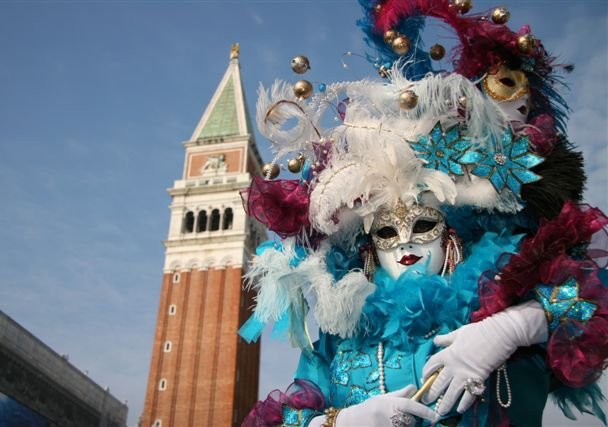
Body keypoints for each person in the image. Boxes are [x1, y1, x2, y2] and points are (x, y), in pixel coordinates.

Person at [239, 1, 607, 426]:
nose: (406, 241)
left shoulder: (501, 296)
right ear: (368, 250)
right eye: (387, 233)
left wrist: (513, 328)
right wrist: (338, 422)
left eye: (423, 225)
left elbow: (596, 298)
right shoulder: (341, 341)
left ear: (450, 235)